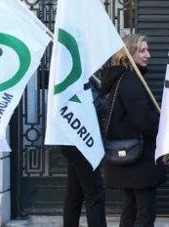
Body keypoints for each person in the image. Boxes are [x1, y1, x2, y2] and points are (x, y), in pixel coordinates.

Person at [100, 34, 167, 227]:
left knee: (129, 210)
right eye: (142, 50)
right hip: (140, 159)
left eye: (148, 50)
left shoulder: (120, 79)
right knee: (144, 213)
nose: (148, 55)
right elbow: (143, 120)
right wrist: (163, 131)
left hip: (129, 157)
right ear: (129, 53)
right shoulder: (130, 81)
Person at [60, 76, 108, 227]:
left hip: (72, 139)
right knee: (95, 193)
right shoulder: (81, 75)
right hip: (81, 141)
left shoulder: (70, 73)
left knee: (75, 193)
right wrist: (112, 99)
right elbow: (94, 104)